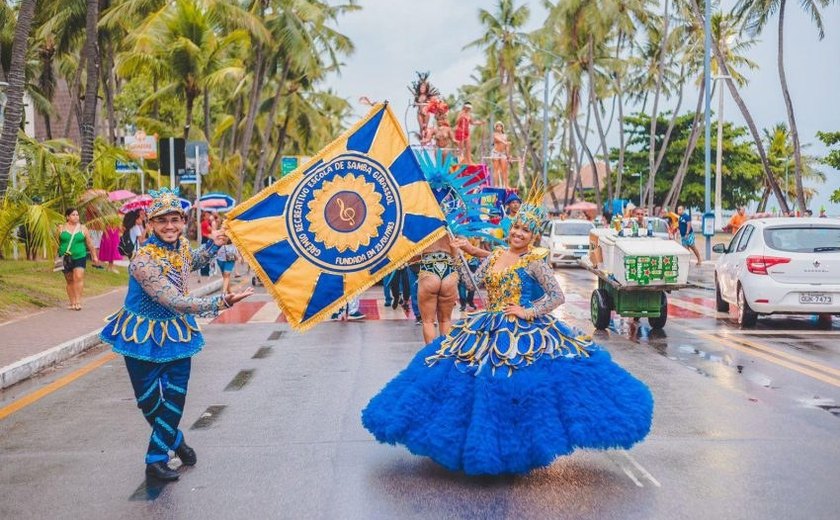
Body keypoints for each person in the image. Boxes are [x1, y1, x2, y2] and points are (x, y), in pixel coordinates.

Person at [362, 200, 653, 476]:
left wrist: (528, 311)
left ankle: (516, 450)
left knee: (518, 389)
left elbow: (556, 296)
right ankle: (487, 446)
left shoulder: (534, 261)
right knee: (465, 380)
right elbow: (470, 282)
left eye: (525, 230)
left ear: (533, 235)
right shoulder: (498, 255)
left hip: (522, 331)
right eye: (516, 228)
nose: (518, 233)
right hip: (487, 326)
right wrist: (458, 256)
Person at [100, 187, 254, 482]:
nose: (169, 226)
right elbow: (174, 300)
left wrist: (214, 244)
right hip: (141, 337)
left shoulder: (181, 246)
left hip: (177, 335)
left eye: (175, 219)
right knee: (150, 402)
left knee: (175, 398)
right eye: (162, 220)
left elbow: (190, 261)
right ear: (150, 224)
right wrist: (219, 302)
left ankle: (155, 459)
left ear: (183, 222)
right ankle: (175, 440)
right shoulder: (142, 261)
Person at [57, 208, 100, 310]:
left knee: (78, 276)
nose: (76, 216)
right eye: (73, 215)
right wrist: (57, 257)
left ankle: (78, 301)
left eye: (77, 215)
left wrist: (94, 255)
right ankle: (72, 302)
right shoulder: (61, 228)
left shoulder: (83, 228)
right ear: (67, 217)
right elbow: (57, 243)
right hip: (64, 257)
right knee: (69, 280)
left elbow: (89, 243)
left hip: (80, 256)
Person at [491, 122, 511, 188]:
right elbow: (498, 139)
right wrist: (505, 142)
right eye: (497, 126)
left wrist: (508, 156)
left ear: (502, 127)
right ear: (495, 128)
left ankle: (506, 185)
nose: (499, 127)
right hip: (496, 153)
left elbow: (507, 146)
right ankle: (496, 185)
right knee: (496, 169)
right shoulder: (495, 134)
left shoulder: (505, 135)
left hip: (503, 153)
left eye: (500, 126)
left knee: (504, 170)